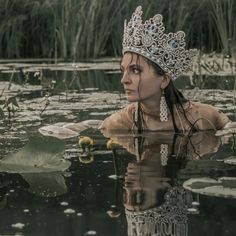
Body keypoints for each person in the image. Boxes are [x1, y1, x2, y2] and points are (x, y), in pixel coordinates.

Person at [100, 6, 231, 133]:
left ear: (164, 80)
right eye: (123, 70)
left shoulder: (204, 117)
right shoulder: (118, 123)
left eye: (135, 70)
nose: (124, 80)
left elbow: (228, 127)